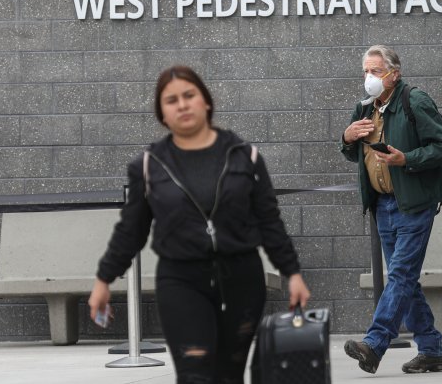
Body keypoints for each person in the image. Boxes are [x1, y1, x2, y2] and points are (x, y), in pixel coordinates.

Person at [88, 65, 311, 384]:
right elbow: (131, 229)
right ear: (162, 113)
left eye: (189, 95)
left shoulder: (244, 156)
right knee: (196, 376)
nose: (182, 104)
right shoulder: (150, 165)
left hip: (242, 280)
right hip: (181, 281)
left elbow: (269, 220)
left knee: (229, 375)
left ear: (206, 101)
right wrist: (103, 279)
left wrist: (292, 273)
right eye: (171, 100)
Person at [340, 45, 442, 374]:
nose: (369, 78)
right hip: (383, 205)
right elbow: (351, 153)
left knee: (401, 275)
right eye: (366, 71)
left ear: (395, 73)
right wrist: (347, 138)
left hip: (414, 202)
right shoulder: (363, 108)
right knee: (404, 280)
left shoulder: (415, 101)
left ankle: (374, 344)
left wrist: (407, 159)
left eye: (376, 71)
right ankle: (432, 350)